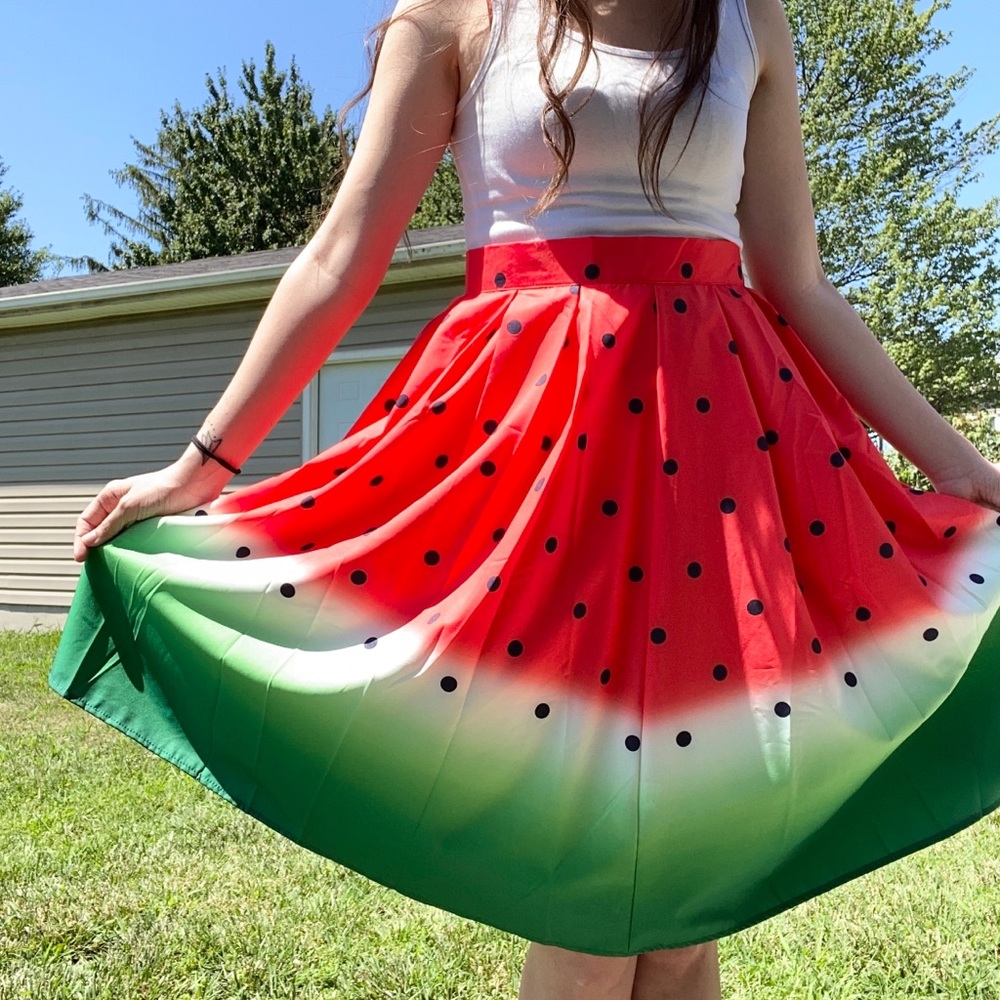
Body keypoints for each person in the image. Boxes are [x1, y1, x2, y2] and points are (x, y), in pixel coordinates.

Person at [50, 0, 1000, 997]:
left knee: (683, 916)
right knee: (590, 920)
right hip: (536, 461)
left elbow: (797, 280)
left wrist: (958, 466)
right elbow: (342, 256)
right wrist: (202, 465)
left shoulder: (748, 18)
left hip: (721, 470)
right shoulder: (455, 14)